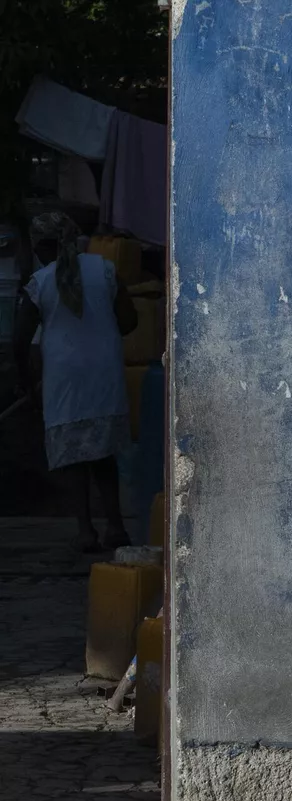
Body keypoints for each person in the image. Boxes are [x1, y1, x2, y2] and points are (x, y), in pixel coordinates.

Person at [11, 213, 138, 551]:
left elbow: (19, 341)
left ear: (41, 246)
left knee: (74, 457)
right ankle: (115, 527)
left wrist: (26, 382)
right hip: (104, 373)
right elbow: (129, 322)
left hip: (64, 378)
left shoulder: (39, 283)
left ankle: (85, 531)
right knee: (104, 454)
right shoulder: (106, 270)